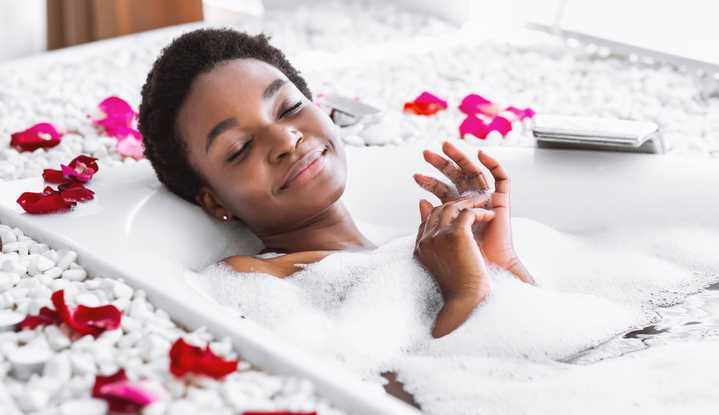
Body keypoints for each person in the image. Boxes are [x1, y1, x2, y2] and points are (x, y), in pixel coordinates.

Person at [138, 28, 534, 338]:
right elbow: (396, 390)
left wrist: (498, 262)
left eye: (290, 108)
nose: (286, 139)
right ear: (214, 202)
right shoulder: (254, 280)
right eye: (240, 147)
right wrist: (465, 291)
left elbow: (543, 350)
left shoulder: (411, 248)